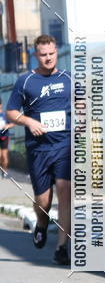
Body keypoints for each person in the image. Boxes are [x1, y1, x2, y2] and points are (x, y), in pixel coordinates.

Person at [6, 35, 72, 266]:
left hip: (64, 145)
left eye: (51, 53)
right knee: (43, 201)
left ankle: (62, 247)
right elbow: (11, 112)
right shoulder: (26, 81)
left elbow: (82, 104)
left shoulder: (68, 79)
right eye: (43, 55)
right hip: (38, 150)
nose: (48, 58)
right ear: (36, 56)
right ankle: (42, 224)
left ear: (57, 52)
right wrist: (29, 122)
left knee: (64, 190)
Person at [0, 100, 15, 178]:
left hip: (4, 137)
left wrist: (7, 126)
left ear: (1, 105)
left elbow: (13, 123)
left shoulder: (5, 115)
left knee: (4, 156)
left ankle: (4, 170)